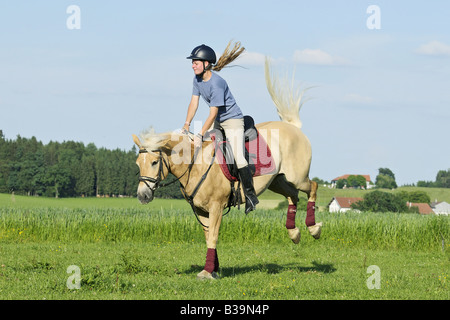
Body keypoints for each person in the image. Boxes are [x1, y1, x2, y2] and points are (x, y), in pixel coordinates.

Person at [183, 41, 259, 213]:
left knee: (238, 157)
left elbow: (212, 113)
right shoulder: (197, 79)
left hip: (232, 120)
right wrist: (186, 124)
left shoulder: (217, 83)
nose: (192, 65)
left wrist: (200, 135)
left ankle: (250, 197)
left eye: (195, 62)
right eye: (192, 62)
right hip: (218, 120)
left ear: (206, 64)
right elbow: (193, 103)